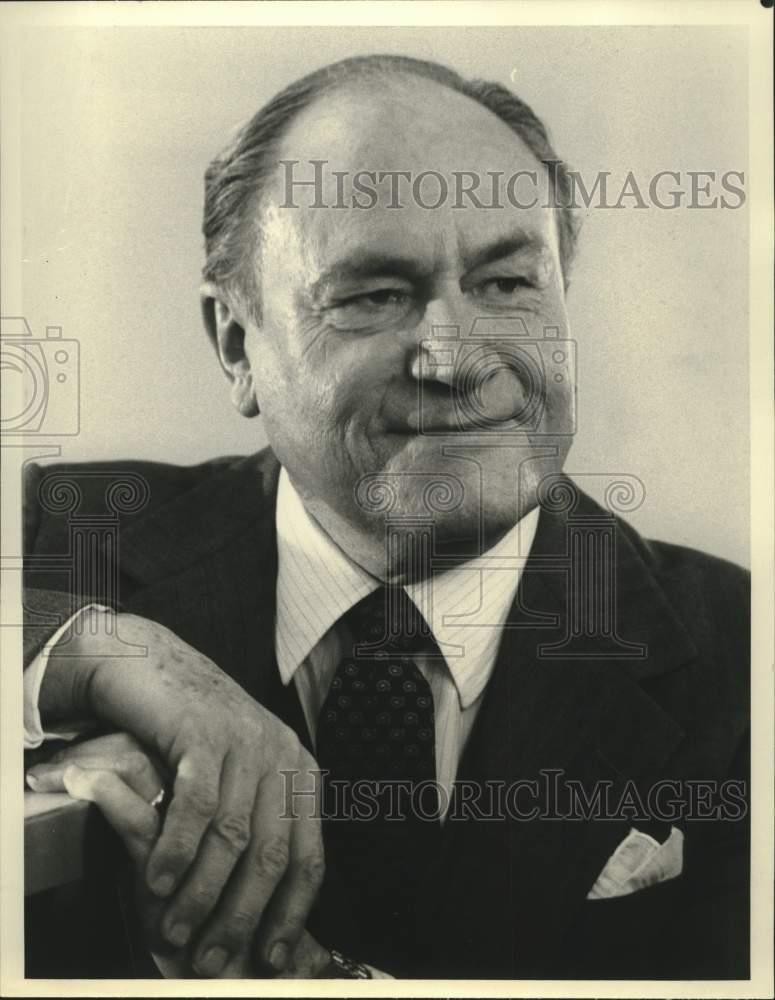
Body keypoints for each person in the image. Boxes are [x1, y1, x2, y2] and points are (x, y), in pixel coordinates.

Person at [22, 54, 749, 980]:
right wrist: (99, 653)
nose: (453, 357)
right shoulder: (64, 534)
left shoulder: (738, 658)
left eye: (505, 285)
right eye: (374, 296)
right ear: (236, 343)